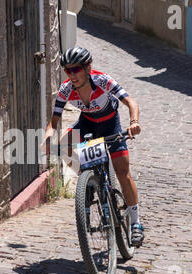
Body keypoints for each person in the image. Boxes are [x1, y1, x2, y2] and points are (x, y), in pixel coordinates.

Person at [43, 47, 144, 247]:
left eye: (76, 69)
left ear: (88, 67)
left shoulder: (103, 81)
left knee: (123, 172)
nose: (72, 75)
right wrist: (48, 136)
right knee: (65, 143)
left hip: (110, 124)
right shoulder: (66, 90)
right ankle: (88, 180)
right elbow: (54, 120)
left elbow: (131, 102)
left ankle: (136, 223)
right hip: (88, 123)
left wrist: (134, 122)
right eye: (67, 70)